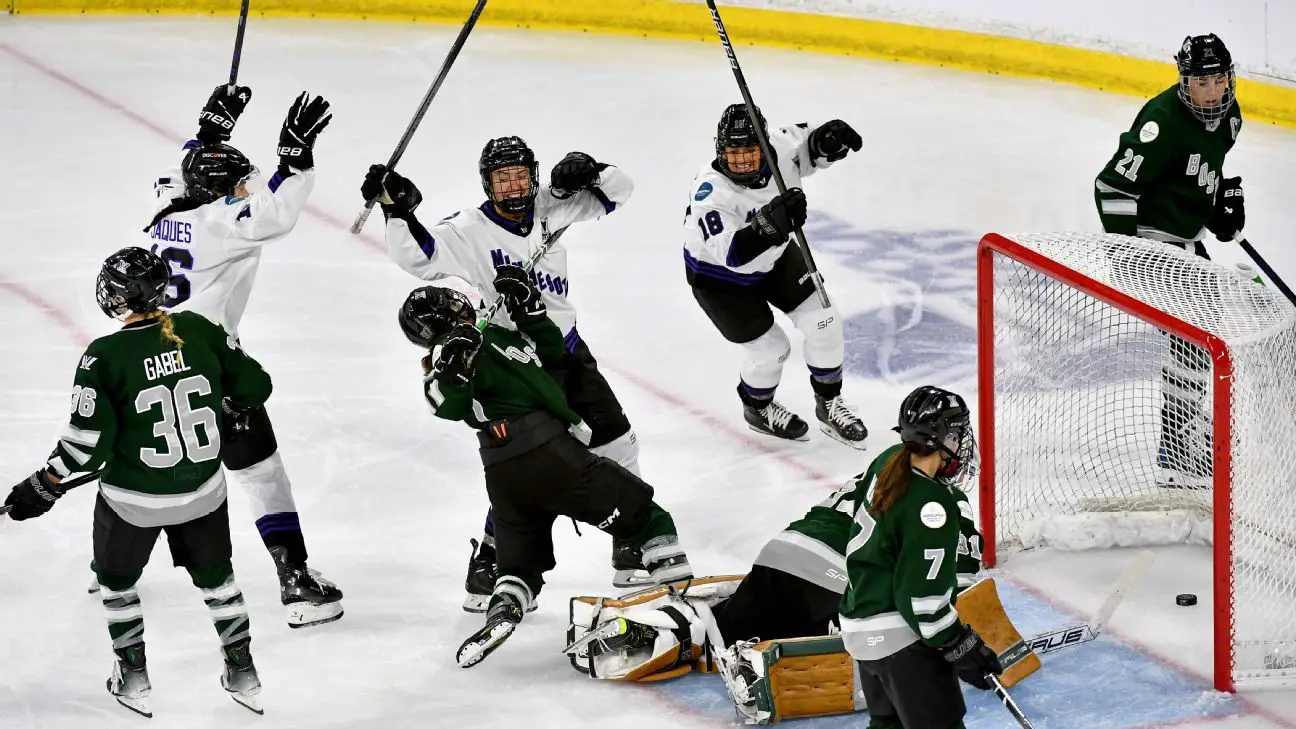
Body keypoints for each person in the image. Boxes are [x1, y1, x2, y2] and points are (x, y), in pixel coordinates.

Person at [363, 136, 648, 607]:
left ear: (533, 175)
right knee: (530, 466)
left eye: (520, 176)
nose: (513, 187)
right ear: (487, 184)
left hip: (569, 350)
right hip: (514, 362)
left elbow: (620, 189)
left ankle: (629, 540)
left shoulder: (552, 206)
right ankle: (494, 555)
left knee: (619, 441)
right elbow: (420, 257)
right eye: (502, 179)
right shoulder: (470, 228)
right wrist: (398, 212)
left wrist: (590, 169)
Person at [4, 247, 272, 716]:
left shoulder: (102, 356)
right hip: (204, 494)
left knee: (117, 584)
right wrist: (231, 406)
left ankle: (133, 676)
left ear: (122, 297)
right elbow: (255, 384)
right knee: (219, 582)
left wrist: (45, 483)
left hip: (134, 502)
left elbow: (89, 444)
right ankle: (243, 669)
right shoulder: (199, 330)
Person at [121, 83, 343, 626]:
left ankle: (114, 569)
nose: (249, 189)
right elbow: (275, 215)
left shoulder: (164, 210)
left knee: (151, 469)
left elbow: (185, 177)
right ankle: (294, 581)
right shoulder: (225, 223)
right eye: (241, 184)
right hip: (209, 370)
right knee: (262, 473)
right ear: (223, 193)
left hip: (146, 367)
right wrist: (295, 159)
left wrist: (209, 134)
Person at [397, 272, 692, 668]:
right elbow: (443, 403)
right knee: (648, 518)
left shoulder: (495, 336)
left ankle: (503, 610)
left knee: (519, 567)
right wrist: (451, 365)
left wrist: (532, 313)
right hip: (553, 457)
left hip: (506, 477)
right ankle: (681, 592)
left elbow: (554, 360)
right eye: (451, 305)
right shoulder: (449, 352)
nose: (461, 304)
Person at [1094, 35, 1245, 489]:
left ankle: (1180, 438)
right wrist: (1131, 254)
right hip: (1150, 243)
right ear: (1185, 82)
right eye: (1203, 82)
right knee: (1196, 338)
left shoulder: (1231, 118)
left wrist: (1223, 201)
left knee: (1202, 337)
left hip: (1185, 240)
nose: (1214, 92)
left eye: (1220, 79)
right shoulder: (1161, 123)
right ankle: (1178, 448)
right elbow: (1112, 189)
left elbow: (1202, 172)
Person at [683, 104, 867, 448]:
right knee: (772, 349)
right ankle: (758, 407)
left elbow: (811, 142)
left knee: (826, 322)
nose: (740, 161)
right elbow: (734, 255)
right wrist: (771, 224)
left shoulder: (780, 146)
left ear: (764, 145)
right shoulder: (711, 193)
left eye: (750, 151)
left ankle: (829, 403)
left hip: (777, 257)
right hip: (720, 281)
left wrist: (829, 141)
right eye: (733, 152)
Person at [838, 386, 1002, 729]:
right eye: (957, 434)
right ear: (941, 437)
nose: (961, 443)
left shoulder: (888, 461)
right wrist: (964, 648)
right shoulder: (932, 506)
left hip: (860, 631)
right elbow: (924, 606)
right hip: (901, 641)